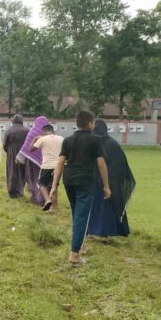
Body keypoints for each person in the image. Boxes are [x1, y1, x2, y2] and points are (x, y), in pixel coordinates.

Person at [49, 111, 111, 265]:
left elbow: (60, 162)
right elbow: (101, 164)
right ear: (90, 124)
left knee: (77, 213)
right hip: (85, 181)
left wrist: (54, 186)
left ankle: (80, 245)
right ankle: (74, 254)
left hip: (69, 180)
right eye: (94, 123)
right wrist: (106, 185)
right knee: (82, 216)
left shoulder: (68, 140)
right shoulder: (95, 140)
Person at [87, 119, 135, 238]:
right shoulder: (114, 144)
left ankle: (94, 231)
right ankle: (108, 233)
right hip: (112, 182)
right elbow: (121, 165)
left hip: (94, 181)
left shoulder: (92, 142)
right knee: (109, 207)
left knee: (95, 207)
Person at [17, 116, 49, 206]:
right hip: (45, 161)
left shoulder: (33, 131)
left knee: (31, 178)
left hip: (31, 162)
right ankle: (43, 198)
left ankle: (35, 197)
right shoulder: (48, 133)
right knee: (42, 180)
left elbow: (26, 146)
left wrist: (19, 157)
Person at [32, 124, 64, 211]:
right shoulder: (61, 138)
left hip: (47, 165)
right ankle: (54, 205)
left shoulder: (43, 138)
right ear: (53, 130)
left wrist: (35, 139)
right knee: (55, 184)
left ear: (44, 131)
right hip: (59, 165)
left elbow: (31, 149)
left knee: (41, 183)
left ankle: (47, 201)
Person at [4, 115, 29, 198]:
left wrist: (8, 151)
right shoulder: (27, 130)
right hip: (24, 153)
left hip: (12, 153)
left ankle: (12, 191)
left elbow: (5, 144)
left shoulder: (9, 130)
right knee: (22, 172)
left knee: (12, 171)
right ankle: (20, 190)